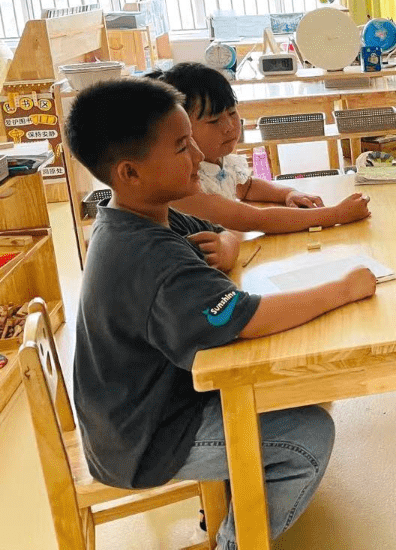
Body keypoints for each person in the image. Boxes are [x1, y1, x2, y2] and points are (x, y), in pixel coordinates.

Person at [65, 78, 377, 549]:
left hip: (145, 409)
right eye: (180, 147)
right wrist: (344, 288)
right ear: (129, 172)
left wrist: (228, 247)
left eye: (191, 139)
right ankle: (235, 543)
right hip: (145, 440)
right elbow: (245, 318)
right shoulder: (149, 257)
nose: (197, 156)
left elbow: (220, 231)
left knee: (290, 391)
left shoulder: (140, 215)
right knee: (306, 437)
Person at [153, 62, 370, 233]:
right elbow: (254, 219)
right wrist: (336, 215)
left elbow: (246, 187)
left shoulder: (220, 159)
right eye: (213, 121)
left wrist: (288, 193)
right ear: (181, 128)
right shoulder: (183, 182)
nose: (229, 127)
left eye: (232, 113)